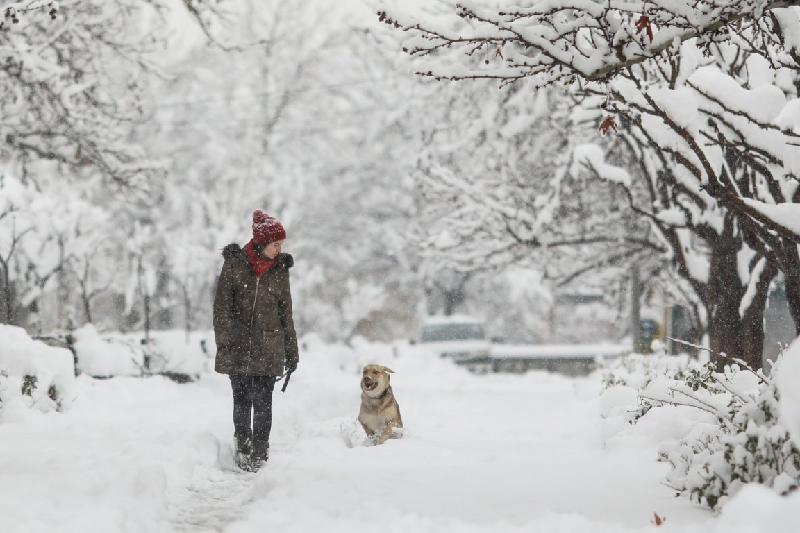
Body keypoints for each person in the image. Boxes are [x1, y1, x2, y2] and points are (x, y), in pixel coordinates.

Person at [213, 210, 299, 471]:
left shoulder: (280, 271)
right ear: (262, 243)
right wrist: (226, 340)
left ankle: (260, 452)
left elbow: (286, 314)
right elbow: (222, 309)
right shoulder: (235, 266)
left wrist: (291, 352)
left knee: (263, 403)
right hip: (238, 347)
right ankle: (243, 446)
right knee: (241, 400)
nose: (279, 249)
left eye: (280, 245)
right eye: (276, 244)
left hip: (268, 348)